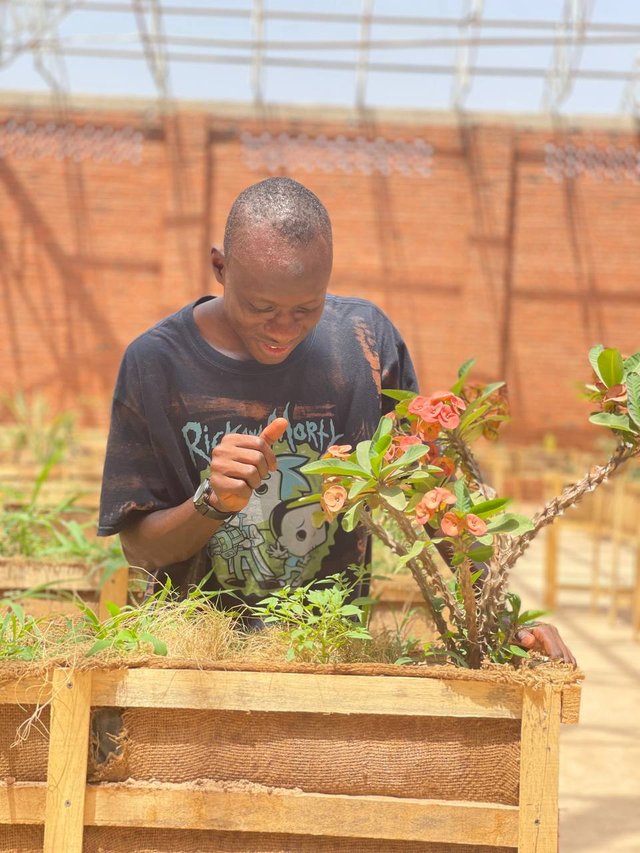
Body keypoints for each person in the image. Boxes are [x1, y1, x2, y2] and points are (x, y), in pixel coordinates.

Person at [98, 176, 575, 665]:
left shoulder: (364, 344)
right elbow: (139, 547)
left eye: (307, 308)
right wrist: (212, 502)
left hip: (334, 658)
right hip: (194, 669)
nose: (283, 330)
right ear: (220, 267)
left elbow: (429, 496)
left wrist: (501, 620)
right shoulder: (157, 363)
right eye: (260, 307)